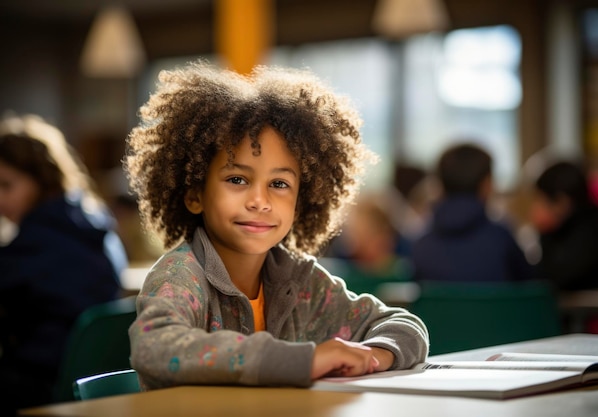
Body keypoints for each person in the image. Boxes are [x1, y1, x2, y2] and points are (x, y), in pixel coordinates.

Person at [124, 61, 429, 391]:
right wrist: (302, 361)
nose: (260, 201)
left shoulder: (299, 281)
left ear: (301, 201)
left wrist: (373, 355)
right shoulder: (180, 276)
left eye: (280, 184)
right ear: (195, 194)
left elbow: (402, 325)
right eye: (237, 179)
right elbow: (154, 347)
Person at [0, 113, 126, 414]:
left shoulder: (36, 240)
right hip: (97, 382)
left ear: (41, 181)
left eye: (6, 185)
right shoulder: (96, 225)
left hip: (41, 382)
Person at [410, 142, 533, 283]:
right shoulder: (502, 240)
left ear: (440, 186)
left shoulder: (420, 247)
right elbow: (531, 289)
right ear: (486, 185)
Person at [529, 159, 598, 291]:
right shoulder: (569, 230)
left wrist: (544, 233)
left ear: (562, 203)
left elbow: (554, 279)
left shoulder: (595, 230)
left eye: (540, 202)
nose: (534, 210)